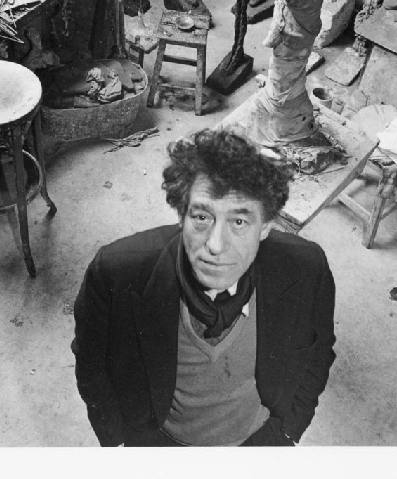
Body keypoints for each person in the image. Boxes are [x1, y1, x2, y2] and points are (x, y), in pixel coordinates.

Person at [71, 128, 336, 446]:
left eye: (239, 222)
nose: (216, 245)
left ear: (265, 227)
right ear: (181, 215)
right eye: (201, 217)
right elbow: (91, 365)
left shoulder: (306, 267)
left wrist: (291, 429)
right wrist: (117, 444)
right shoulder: (114, 273)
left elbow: (319, 351)